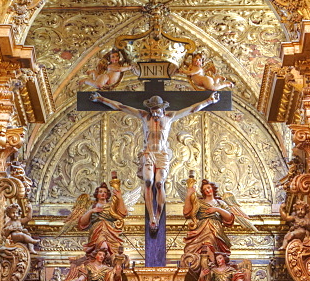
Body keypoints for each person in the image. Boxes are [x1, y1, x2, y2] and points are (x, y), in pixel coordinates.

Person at [91, 91, 219, 232]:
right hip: (148, 153)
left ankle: (158, 217)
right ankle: (152, 216)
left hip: (162, 155)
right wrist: (101, 98)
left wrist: (209, 101)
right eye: (152, 109)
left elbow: (192, 109)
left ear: (163, 108)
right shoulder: (144, 116)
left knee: (159, 183)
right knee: (148, 182)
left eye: (157, 110)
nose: (154, 113)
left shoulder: (170, 117)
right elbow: (121, 107)